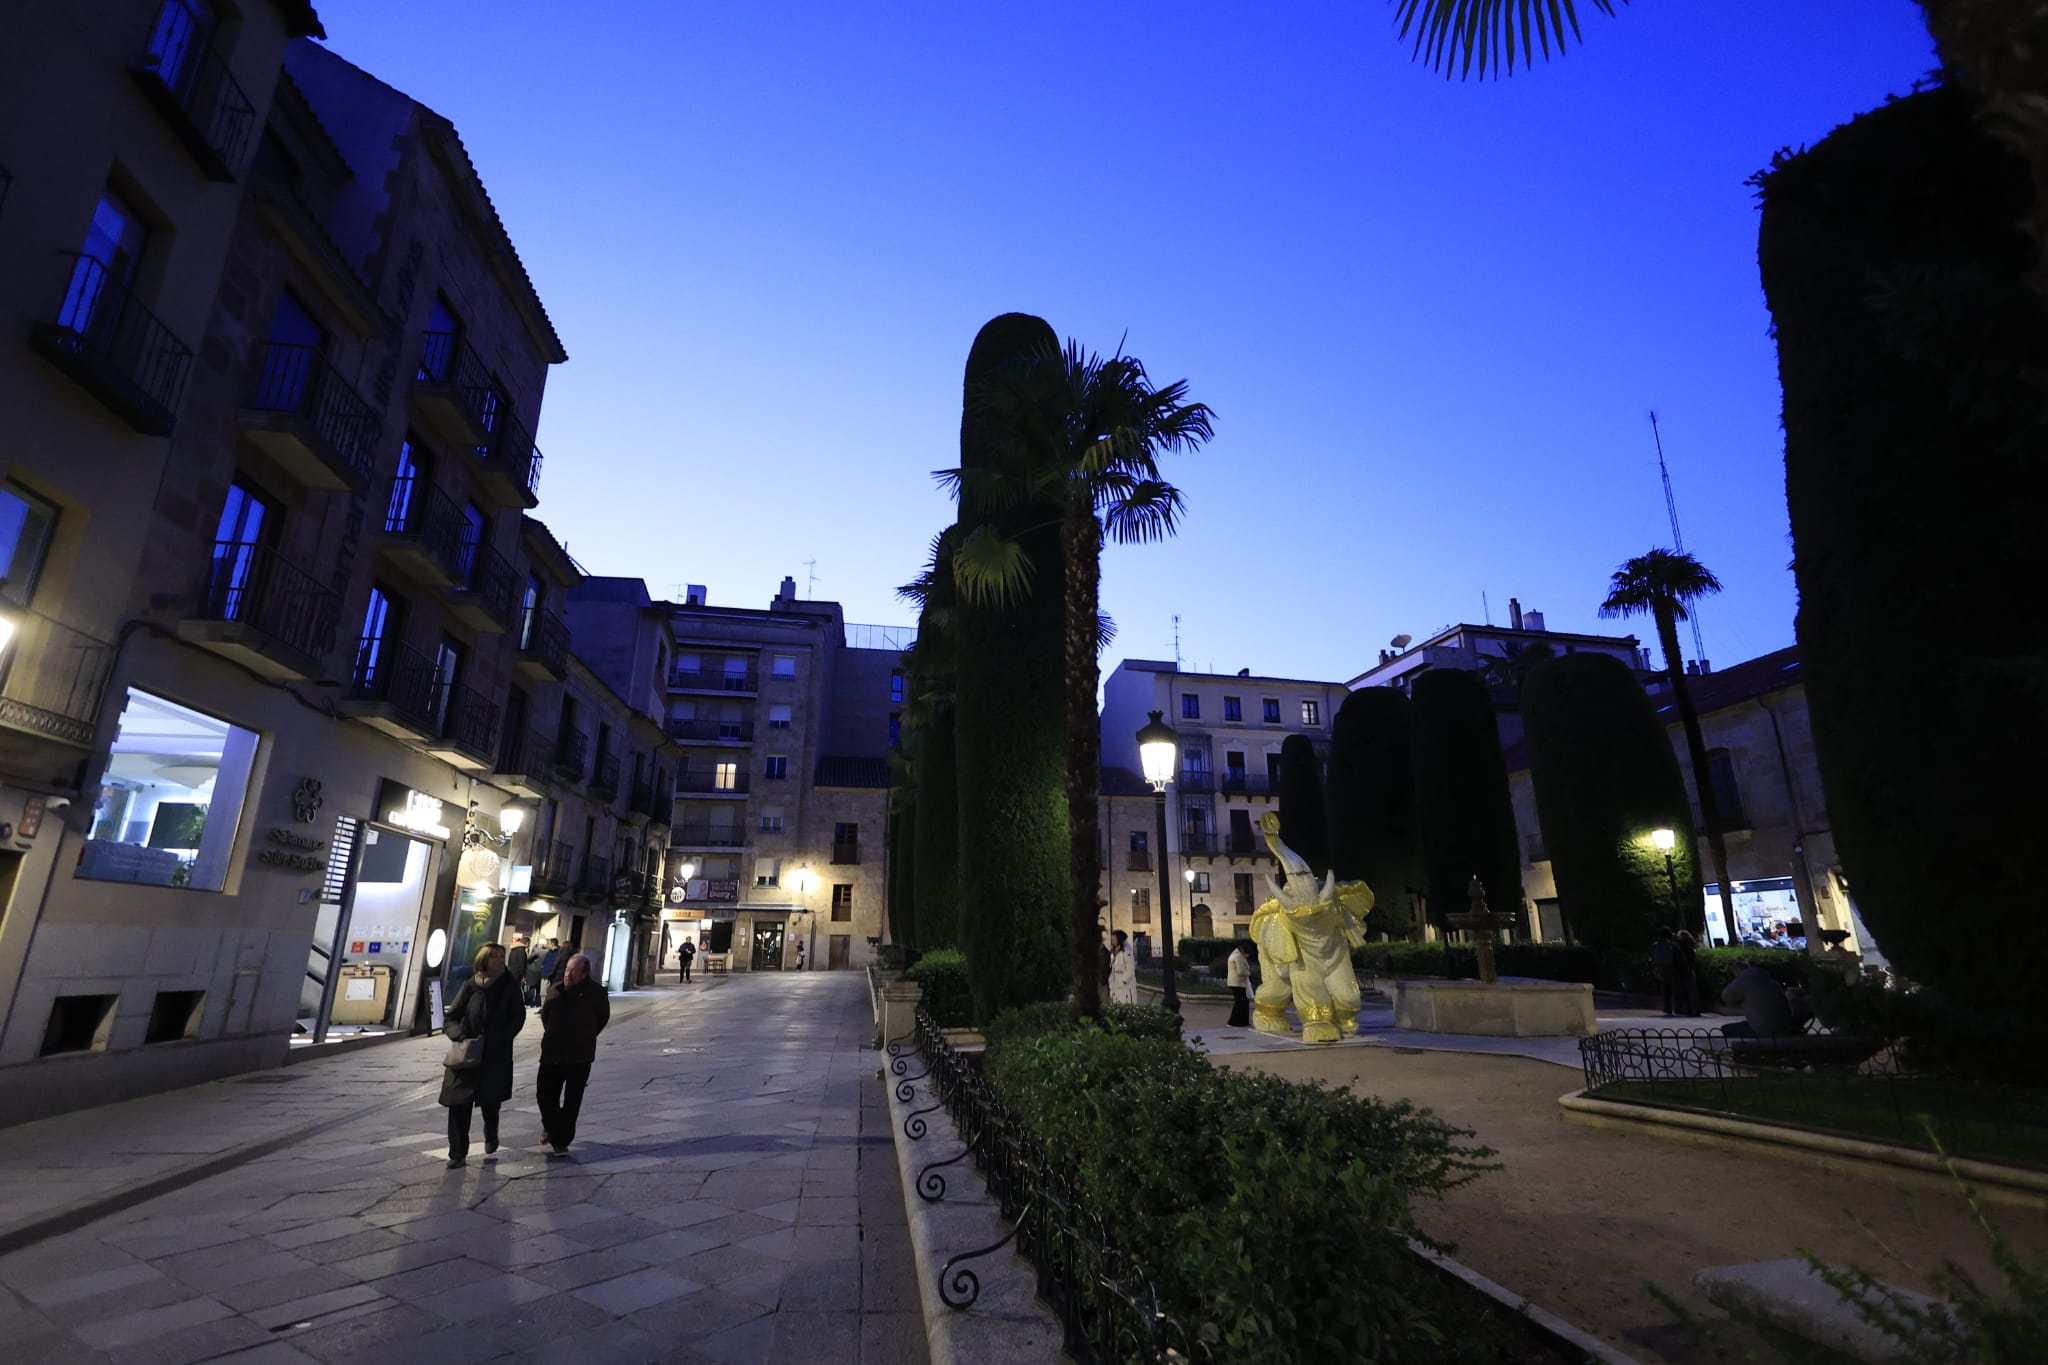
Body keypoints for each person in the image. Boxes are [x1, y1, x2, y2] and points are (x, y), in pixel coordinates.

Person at [440, 942, 525, 1167]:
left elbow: (518, 1016)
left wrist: (503, 1038)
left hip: (495, 1054)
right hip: (467, 1054)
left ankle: (491, 1131)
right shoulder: (470, 986)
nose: (499, 960)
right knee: (458, 1103)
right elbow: (451, 1018)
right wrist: (460, 1036)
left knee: (490, 1101)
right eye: (495, 956)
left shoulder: (509, 986)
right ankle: (457, 1153)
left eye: (501, 956)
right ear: (484, 960)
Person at [537, 952, 610, 1157]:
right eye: (567, 970)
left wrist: (586, 1035)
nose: (568, 974)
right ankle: (551, 1126)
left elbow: (602, 1017)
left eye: (573, 971)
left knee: (572, 1099)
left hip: (580, 1054)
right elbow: (546, 1015)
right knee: (544, 1094)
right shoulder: (556, 989)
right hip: (552, 1051)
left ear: (584, 973)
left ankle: (561, 1140)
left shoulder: (596, 992)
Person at [1720, 964, 1797, 1039]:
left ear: (1737, 970)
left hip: (1764, 1033)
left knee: (1726, 1029)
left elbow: (1727, 996)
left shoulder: (1745, 980)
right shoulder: (1771, 982)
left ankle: (1746, 1050)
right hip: (1783, 1031)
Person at [1672, 930, 1701, 1016]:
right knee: (1690, 991)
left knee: (1688, 991)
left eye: (1679, 935)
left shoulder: (1683, 946)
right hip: (1688, 970)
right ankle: (1692, 1010)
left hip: (1685, 970)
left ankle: (1691, 1010)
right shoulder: (1689, 945)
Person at [1649, 930, 1678, 1016]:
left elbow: (1652, 956)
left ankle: (1667, 1009)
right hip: (1670, 968)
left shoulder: (1656, 945)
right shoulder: (1671, 944)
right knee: (1673, 989)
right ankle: (1676, 1008)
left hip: (1660, 968)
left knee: (1665, 989)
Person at [1107, 930, 1137, 1005]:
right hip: (1115, 984)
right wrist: (1111, 981)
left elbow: (1131, 967)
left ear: (1119, 939)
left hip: (1125, 987)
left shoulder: (1126, 951)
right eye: (1112, 939)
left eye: (1114, 939)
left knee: (1125, 1004)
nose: (1112, 941)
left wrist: (1123, 980)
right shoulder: (1113, 952)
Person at [1225, 942, 1252, 1027]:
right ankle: (1233, 1022)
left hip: (1235, 982)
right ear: (1244, 951)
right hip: (1238, 982)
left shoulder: (1235, 954)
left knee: (1243, 1002)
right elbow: (1241, 971)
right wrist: (1249, 973)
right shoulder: (1238, 956)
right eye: (1247, 953)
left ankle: (1242, 1021)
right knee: (1240, 1002)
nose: (1247, 956)